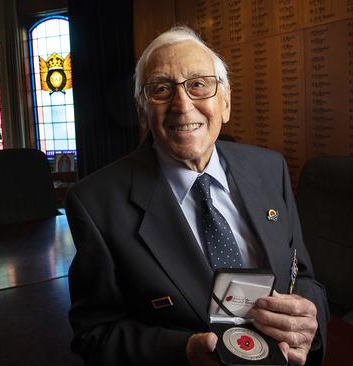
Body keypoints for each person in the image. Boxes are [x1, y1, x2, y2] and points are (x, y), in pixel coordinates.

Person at [65, 25, 329, 366]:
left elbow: (303, 276)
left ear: (226, 102)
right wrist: (183, 353)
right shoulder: (95, 203)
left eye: (198, 85)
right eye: (161, 89)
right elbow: (95, 334)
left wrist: (307, 316)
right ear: (142, 111)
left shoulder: (270, 168)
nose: (182, 105)